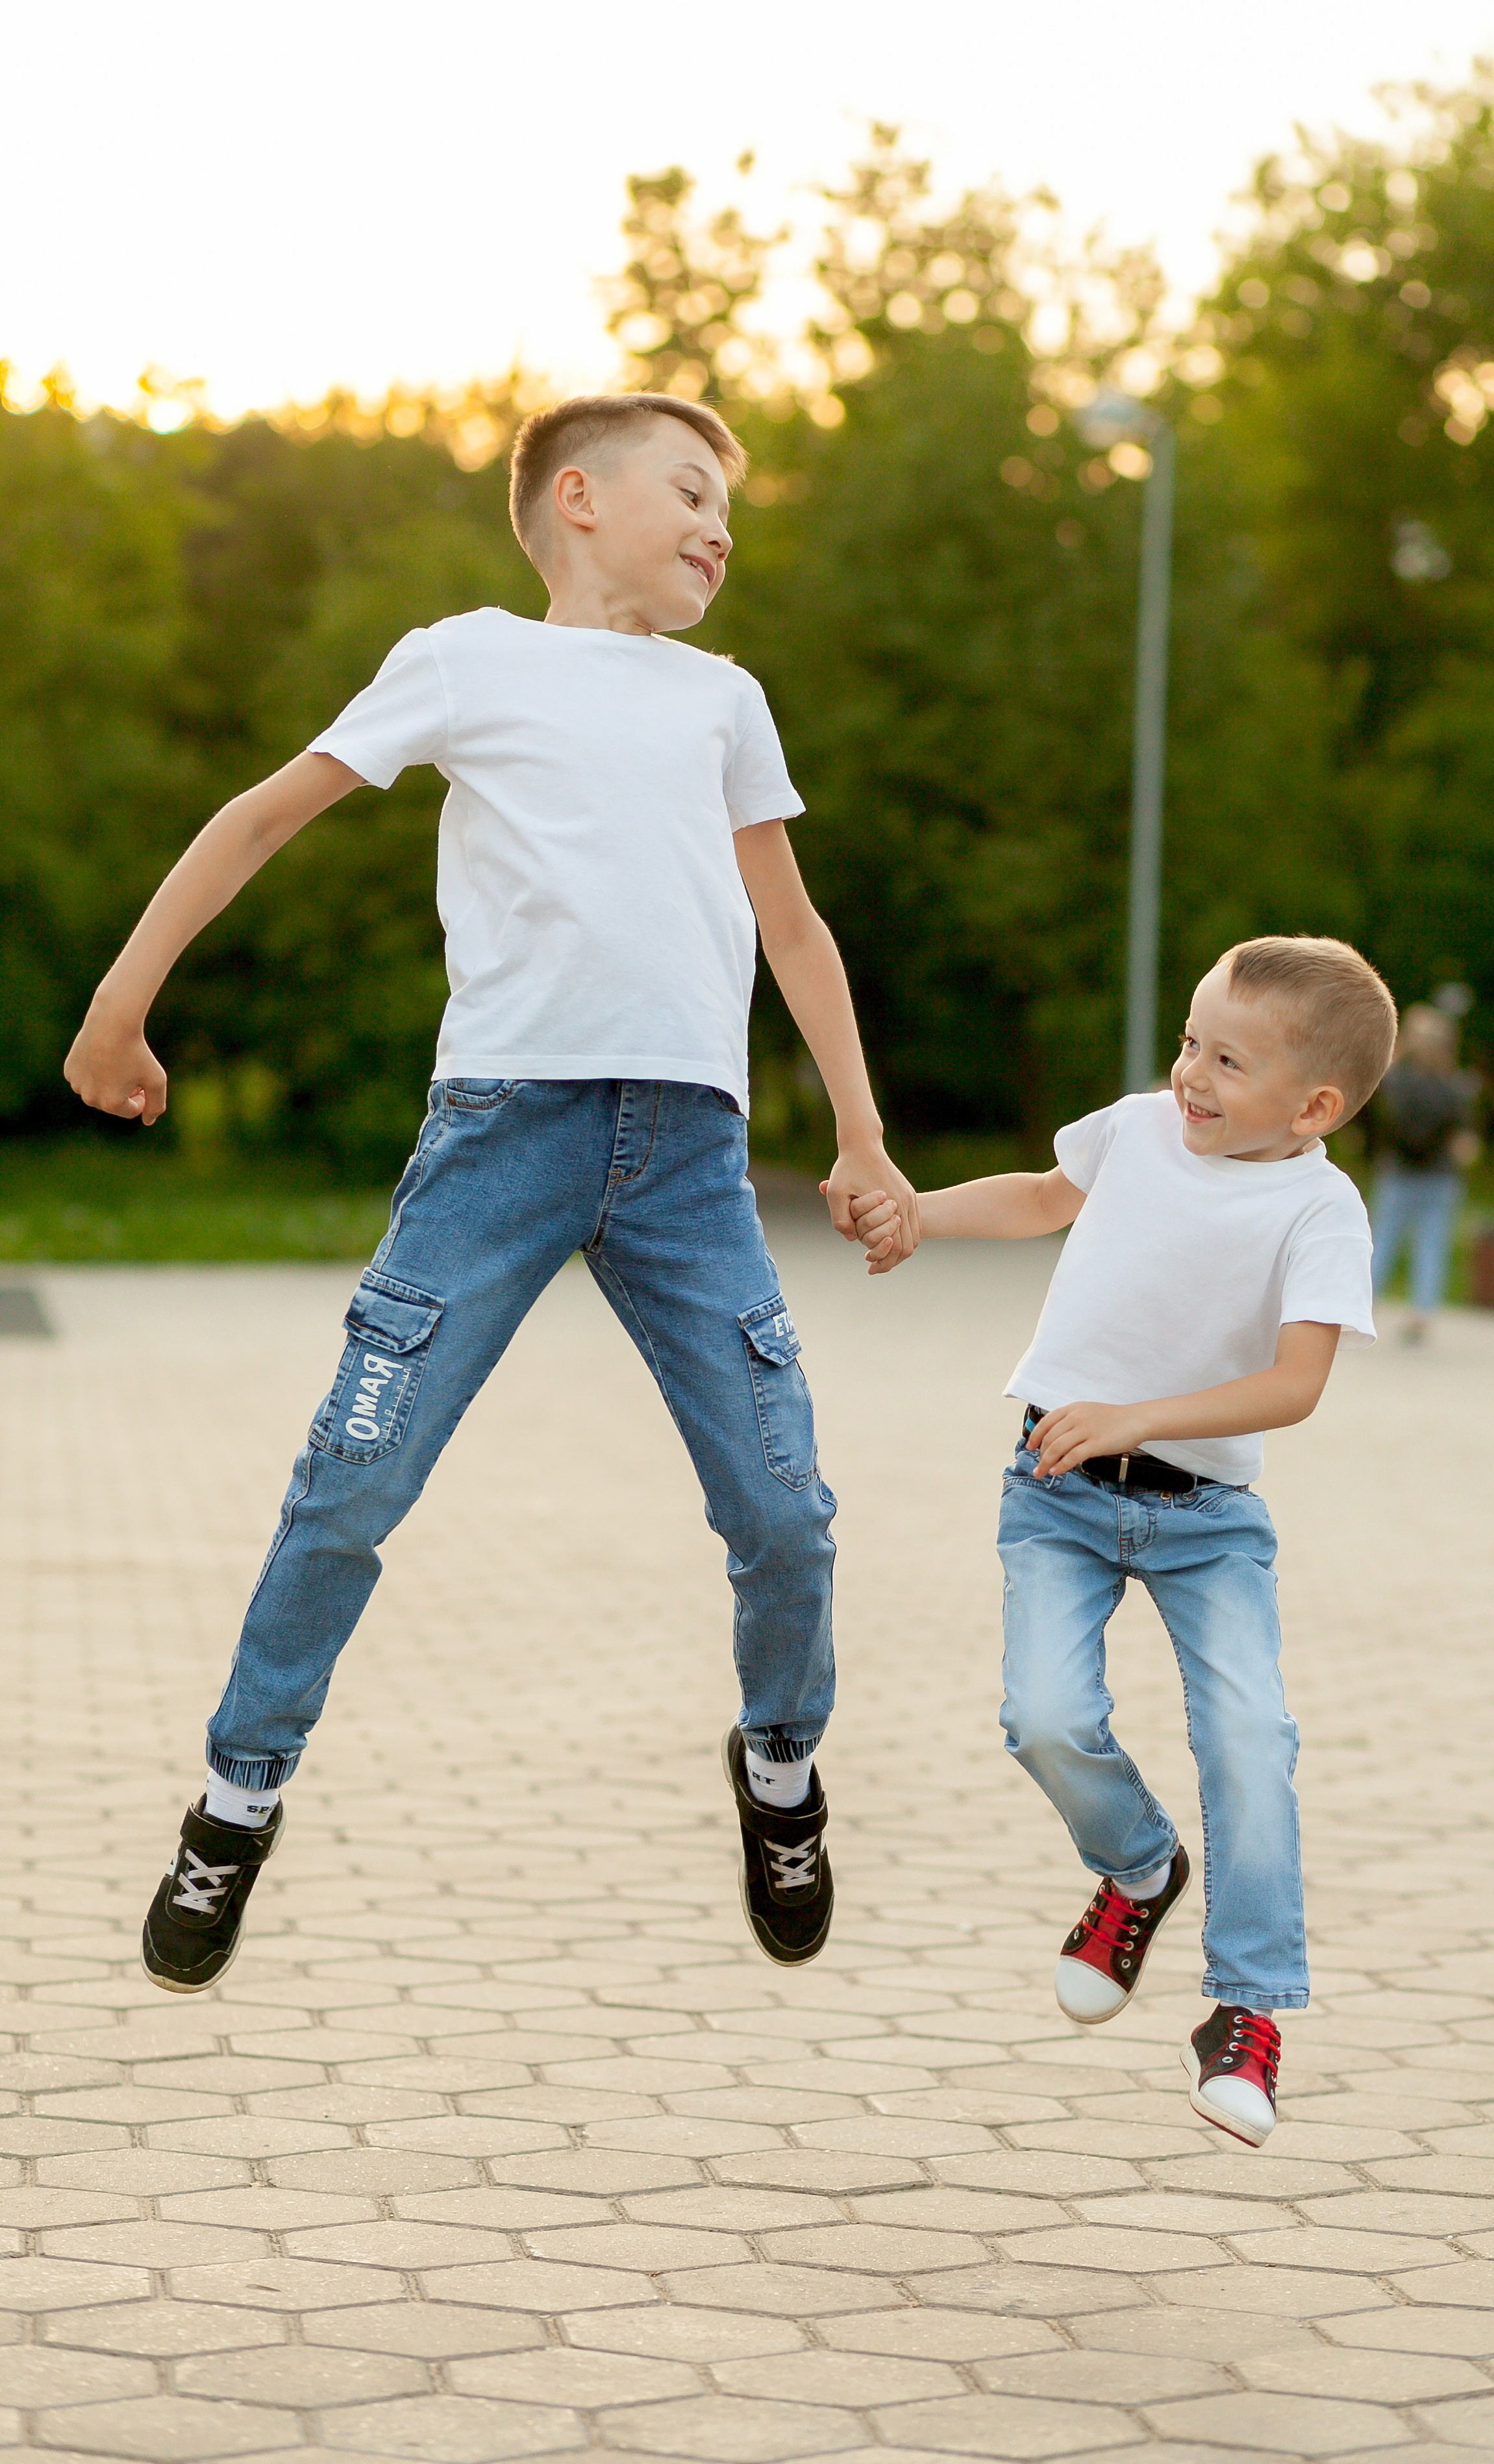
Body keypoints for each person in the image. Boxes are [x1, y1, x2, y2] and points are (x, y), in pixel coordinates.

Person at [63, 392, 919, 1993]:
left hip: (688, 1161)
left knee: (783, 1506)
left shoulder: (726, 701)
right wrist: (123, 1000)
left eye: (728, 504)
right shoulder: (464, 657)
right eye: (691, 489)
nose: (719, 525)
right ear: (577, 500)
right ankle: (235, 1798)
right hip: (500, 1136)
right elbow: (263, 812)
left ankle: (781, 1772)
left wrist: (862, 1137)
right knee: (352, 1478)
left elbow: (792, 932)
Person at [853, 937, 1395, 2145]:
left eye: (1227, 1061)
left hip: (1209, 1524)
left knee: (1252, 1740)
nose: (1191, 1074)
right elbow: (1046, 1198)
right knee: (1043, 1717)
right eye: (1191, 1042)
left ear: (1315, 1105)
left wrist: (1141, 1415)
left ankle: (1246, 2012)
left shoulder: (1320, 1208)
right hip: (1057, 1489)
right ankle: (1142, 1870)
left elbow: (1297, 1384)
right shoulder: (1144, 1130)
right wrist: (919, 1217)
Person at [1366, 1004, 1479, 1346]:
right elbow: (1465, 1141)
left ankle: (1360, 1306)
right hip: (1440, 1175)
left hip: (1399, 1171)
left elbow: (1380, 1099)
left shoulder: (1398, 1080)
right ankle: (1422, 1313)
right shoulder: (1458, 1086)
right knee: (1431, 1245)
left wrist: (1400, 1051)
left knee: (1382, 1241)